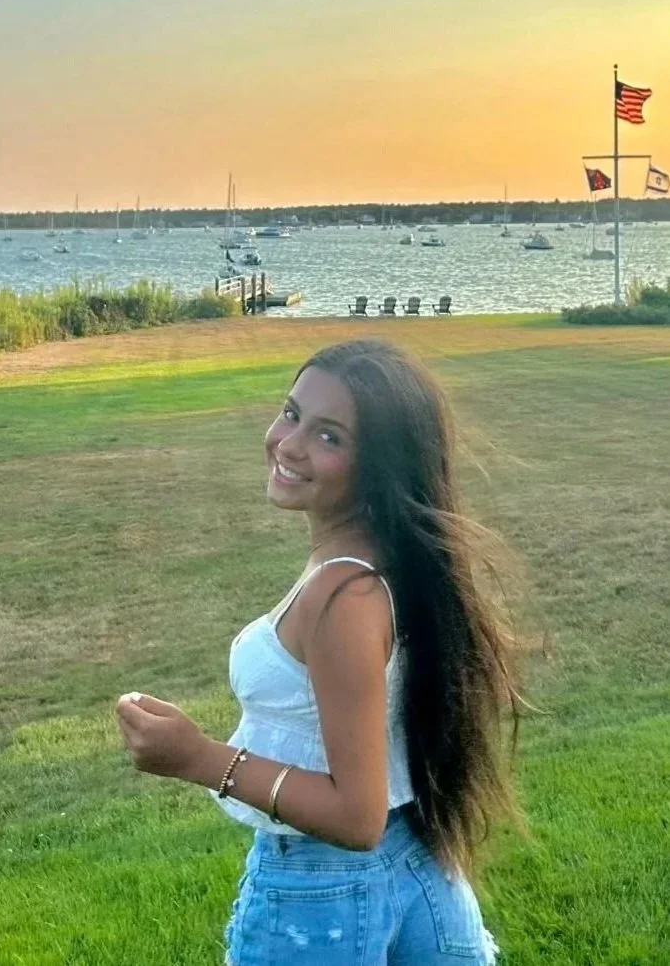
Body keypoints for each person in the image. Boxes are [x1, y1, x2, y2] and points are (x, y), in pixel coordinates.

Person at [116, 338, 522, 965]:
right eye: (292, 412)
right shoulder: (395, 562)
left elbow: (356, 817)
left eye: (330, 437)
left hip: (323, 890)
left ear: (379, 465)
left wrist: (199, 758)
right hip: (417, 860)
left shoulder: (344, 596)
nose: (289, 443)